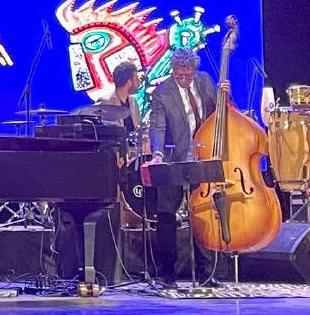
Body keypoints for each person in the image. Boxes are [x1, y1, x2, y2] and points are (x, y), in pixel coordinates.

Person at [147, 48, 226, 288]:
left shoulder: (205, 82)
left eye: (187, 75)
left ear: (194, 70)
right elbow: (158, 126)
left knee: (202, 214)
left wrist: (224, 96)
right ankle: (167, 275)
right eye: (179, 75)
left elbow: (218, 115)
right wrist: (157, 153)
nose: (183, 79)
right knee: (166, 215)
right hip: (174, 158)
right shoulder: (162, 92)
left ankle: (206, 273)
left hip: (203, 156)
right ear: (173, 70)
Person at [97, 61, 141, 131]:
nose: (139, 81)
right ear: (129, 82)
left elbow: (138, 127)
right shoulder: (106, 102)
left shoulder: (133, 101)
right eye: (136, 79)